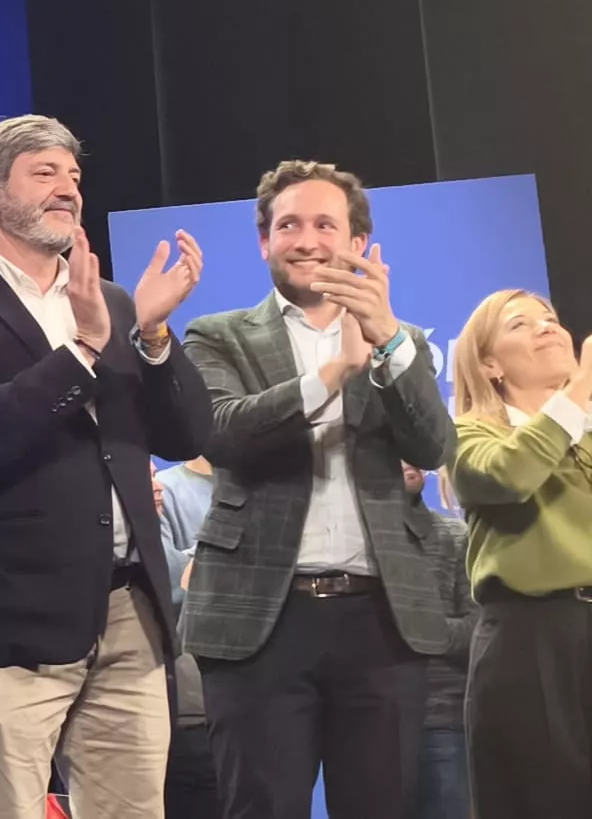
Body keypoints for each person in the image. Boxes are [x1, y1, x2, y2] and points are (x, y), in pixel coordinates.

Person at [0, 114, 210, 819]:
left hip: (128, 609)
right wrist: (83, 355)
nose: (67, 189)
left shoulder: (112, 301)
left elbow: (189, 432)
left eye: (73, 176)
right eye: (44, 173)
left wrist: (154, 335)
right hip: (10, 617)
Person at [179, 160, 453, 819]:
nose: (307, 239)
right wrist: (332, 373)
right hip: (259, 624)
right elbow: (222, 434)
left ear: (357, 243)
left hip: (381, 622)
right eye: (288, 225)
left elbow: (432, 446)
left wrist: (384, 339)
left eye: (325, 224)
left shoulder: (403, 341)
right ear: (264, 242)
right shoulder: (217, 335)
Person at [447, 289, 592, 819]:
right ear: (489, 365)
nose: (547, 328)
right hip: (533, 642)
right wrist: (577, 392)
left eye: (552, 319)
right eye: (520, 324)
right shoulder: (470, 433)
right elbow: (508, 476)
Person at [400, 462, 473, 819]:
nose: (407, 460)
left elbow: (479, 627)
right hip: (362, 726)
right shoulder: (346, 549)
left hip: (442, 720)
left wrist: (417, 629)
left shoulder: (456, 536)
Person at [153, 457, 219, 819]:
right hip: (192, 712)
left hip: (269, 704)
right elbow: (169, 587)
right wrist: (227, 546)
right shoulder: (163, 488)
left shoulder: (277, 492)